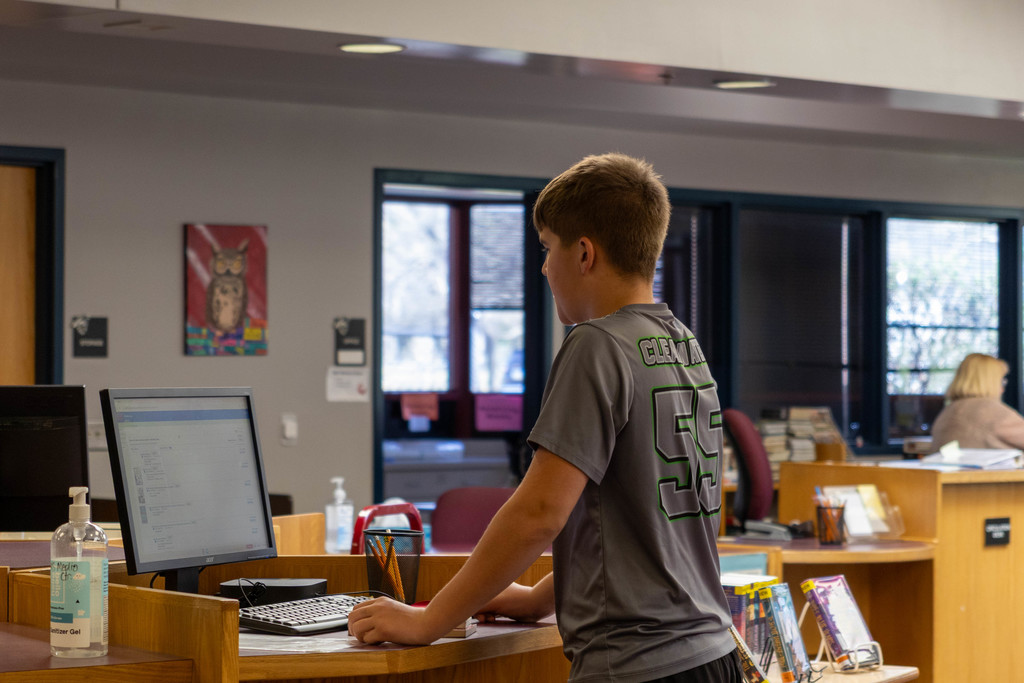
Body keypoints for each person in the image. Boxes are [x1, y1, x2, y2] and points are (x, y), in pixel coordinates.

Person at [348, 153, 742, 682]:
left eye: (546, 247)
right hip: (710, 653)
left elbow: (538, 513)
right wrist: (537, 598)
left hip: (637, 666)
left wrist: (429, 622)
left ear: (584, 253)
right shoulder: (681, 344)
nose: (542, 267)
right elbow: (640, 522)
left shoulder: (597, 344)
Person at [930, 352, 1024, 451]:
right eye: (1001, 381)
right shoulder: (991, 412)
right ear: (990, 382)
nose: (1002, 389)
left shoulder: (948, 412)